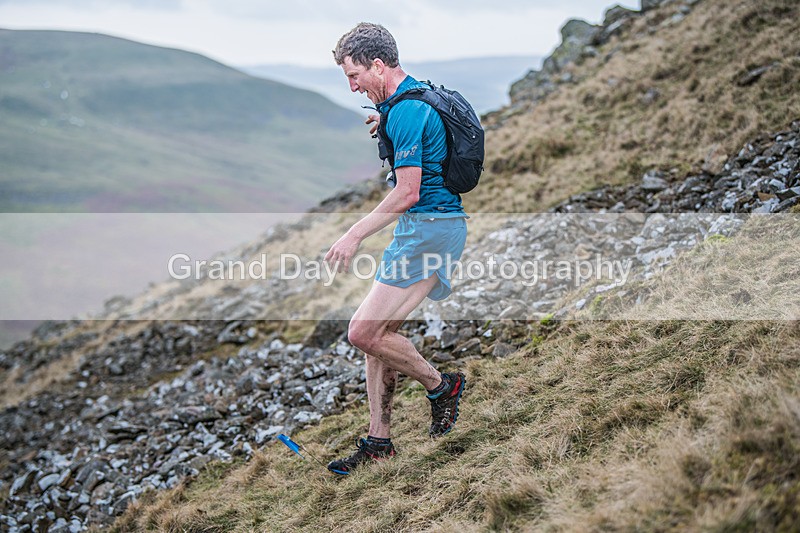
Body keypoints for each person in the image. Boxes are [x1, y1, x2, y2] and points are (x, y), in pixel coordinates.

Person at [324, 22, 468, 475]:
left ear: (379, 65)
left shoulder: (405, 111)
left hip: (427, 229)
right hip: (432, 229)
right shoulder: (411, 99)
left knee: (363, 332)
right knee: (377, 337)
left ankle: (441, 386)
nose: (352, 87)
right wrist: (385, 120)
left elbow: (407, 192)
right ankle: (379, 441)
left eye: (354, 76)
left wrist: (353, 234)